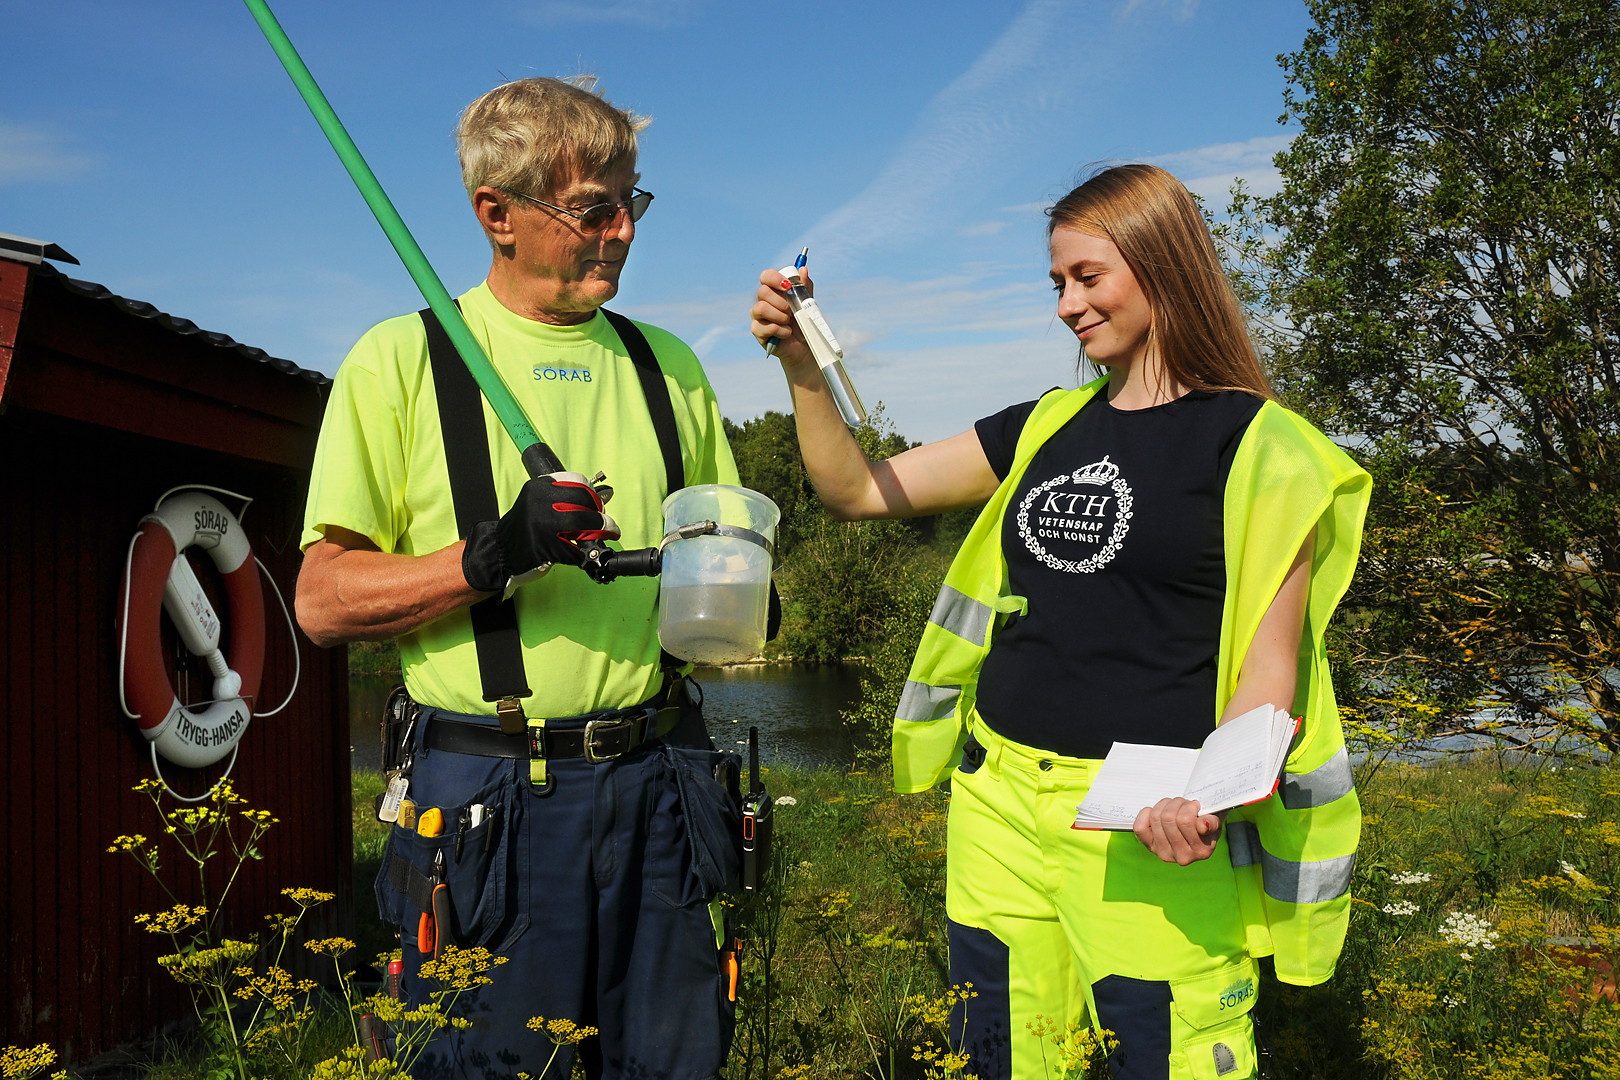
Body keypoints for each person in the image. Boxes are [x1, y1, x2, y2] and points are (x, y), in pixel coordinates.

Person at [750, 164, 1369, 1080]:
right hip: (999, 799)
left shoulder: (1265, 445)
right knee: (1003, 1056)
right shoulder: (1045, 425)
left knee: (1163, 1057)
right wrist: (801, 368)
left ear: (1164, 267)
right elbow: (855, 490)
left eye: (1089, 277)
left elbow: (1268, 670)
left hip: (1147, 821)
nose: (1067, 306)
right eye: (1056, 283)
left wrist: (1204, 797)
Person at [297, 77, 740, 1080]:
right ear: (496, 214)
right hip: (484, 797)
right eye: (595, 209)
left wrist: (739, 585)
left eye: (636, 203)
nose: (624, 231)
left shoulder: (669, 367)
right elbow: (322, 603)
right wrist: (492, 556)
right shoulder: (401, 361)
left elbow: (723, 572)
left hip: (662, 777)